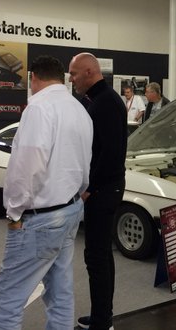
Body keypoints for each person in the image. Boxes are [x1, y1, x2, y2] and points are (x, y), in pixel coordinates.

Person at [0, 56, 93, 330]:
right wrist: (80, 193)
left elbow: (27, 167)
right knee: (60, 290)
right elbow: (85, 162)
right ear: (61, 77)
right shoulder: (79, 108)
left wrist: (14, 212)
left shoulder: (38, 108)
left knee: (8, 297)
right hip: (70, 210)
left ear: (34, 78)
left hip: (41, 218)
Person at [69, 53, 127, 330]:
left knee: (97, 256)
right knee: (98, 255)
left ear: (90, 71)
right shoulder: (96, 100)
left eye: (74, 73)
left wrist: (90, 188)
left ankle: (102, 321)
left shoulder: (107, 102)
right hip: (102, 187)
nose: (71, 79)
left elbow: (111, 153)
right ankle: (101, 315)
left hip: (104, 190)